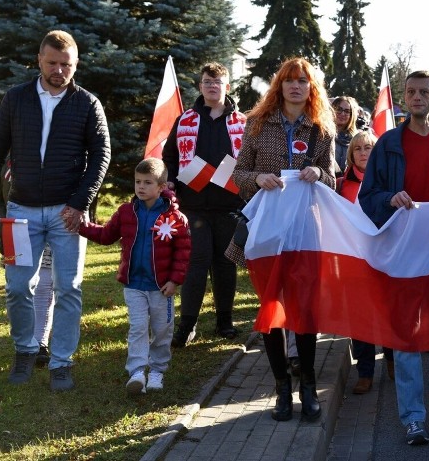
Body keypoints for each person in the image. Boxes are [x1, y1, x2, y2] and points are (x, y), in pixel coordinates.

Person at [0, 30, 111, 392]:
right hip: (20, 210)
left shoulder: (88, 103)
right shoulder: (16, 99)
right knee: (15, 286)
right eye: (52, 63)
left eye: (66, 65)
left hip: (66, 214)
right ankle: (26, 351)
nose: (59, 70)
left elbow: (101, 155)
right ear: (39, 60)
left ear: (75, 65)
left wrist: (79, 203)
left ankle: (61, 361)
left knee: (69, 288)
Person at [359, 70, 429, 446]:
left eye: (425, 92)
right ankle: (412, 415)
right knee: (405, 334)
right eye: (411, 92)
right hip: (403, 252)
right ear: (404, 99)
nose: (418, 97)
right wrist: (389, 199)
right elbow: (366, 196)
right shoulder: (388, 143)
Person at [228, 57, 336, 423]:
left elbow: (333, 180)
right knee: (272, 309)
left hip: (305, 232)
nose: (295, 86)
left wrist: (318, 171)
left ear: (311, 88)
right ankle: (281, 389)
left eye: (302, 81)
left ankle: (307, 385)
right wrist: (258, 179)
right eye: (289, 80)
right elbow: (238, 173)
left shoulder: (321, 129)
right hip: (267, 233)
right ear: (280, 85)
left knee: (304, 311)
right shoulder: (258, 124)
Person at [79, 159, 191, 395]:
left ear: (161, 186)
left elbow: (183, 253)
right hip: (134, 285)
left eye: (147, 183)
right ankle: (137, 371)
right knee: (138, 327)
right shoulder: (126, 212)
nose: (141, 187)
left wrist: (174, 280)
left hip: (161, 287)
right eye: (138, 182)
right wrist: (83, 227)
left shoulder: (175, 218)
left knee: (162, 330)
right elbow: (107, 235)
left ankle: (158, 370)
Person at [163, 62, 246, 347]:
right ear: (200, 86)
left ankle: (224, 321)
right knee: (196, 263)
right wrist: (171, 180)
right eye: (207, 82)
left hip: (229, 204)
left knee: (225, 263)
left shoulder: (242, 122)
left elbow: (249, 160)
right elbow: (170, 157)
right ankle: (187, 324)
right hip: (193, 205)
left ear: (227, 86)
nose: (213, 86)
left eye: (218, 81)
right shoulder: (185, 119)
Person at [335, 130, 394, 393]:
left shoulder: (387, 182)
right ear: (350, 154)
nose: (363, 153)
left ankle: (393, 360)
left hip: (384, 256)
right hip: (354, 259)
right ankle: (365, 373)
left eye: (368, 148)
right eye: (358, 148)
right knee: (359, 317)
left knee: (388, 312)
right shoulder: (339, 185)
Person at [0, 159, 56, 368]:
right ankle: (24, 345)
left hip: (48, 225)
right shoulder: (3, 162)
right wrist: (2, 233)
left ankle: (40, 342)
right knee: (18, 288)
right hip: (15, 229)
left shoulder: (49, 155)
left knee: (45, 285)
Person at [332, 95, 360, 177]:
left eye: (347, 111)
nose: (342, 114)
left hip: (347, 184)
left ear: (352, 115)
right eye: (339, 109)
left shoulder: (357, 139)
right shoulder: (322, 135)